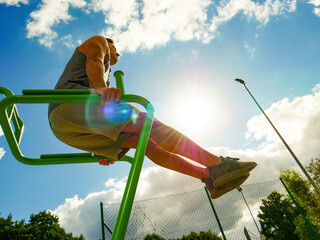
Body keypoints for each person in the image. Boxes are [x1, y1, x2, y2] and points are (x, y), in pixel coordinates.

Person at [48, 35, 257, 199]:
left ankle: (207, 176)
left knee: (144, 141)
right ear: (109, 45)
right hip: (72, 102)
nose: (118, 54)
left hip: (65, 128)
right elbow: (93, 60)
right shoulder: (98, 41)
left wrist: (101, 150)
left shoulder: (104, 73)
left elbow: (95, 78)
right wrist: (102, 88)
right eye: (116, 49)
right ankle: (218, 164)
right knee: (150, 124)